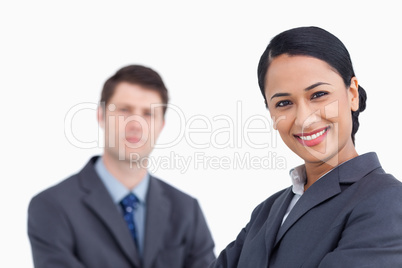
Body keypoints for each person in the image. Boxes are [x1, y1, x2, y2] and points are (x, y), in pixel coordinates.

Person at [211, 26, 402, 267]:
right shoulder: (266, 212)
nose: (304, 119)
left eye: (318, 94)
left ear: (352, 94)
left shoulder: (388, 201)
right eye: (284, 103)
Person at [28, 65, 215, 268]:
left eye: (148, 114)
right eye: (125, 110)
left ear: (161, 125)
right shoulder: (52, 207)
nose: (136, 124)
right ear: (101, 116)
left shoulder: (187, 210)